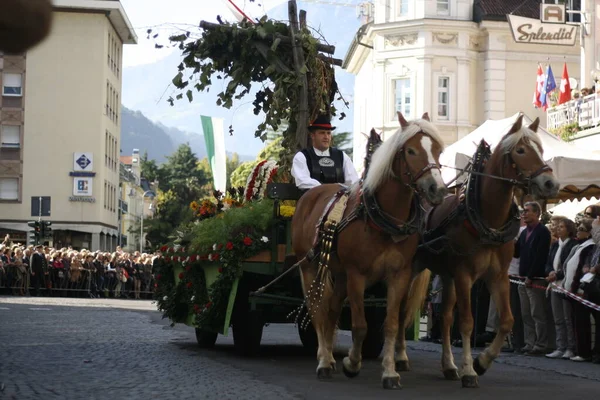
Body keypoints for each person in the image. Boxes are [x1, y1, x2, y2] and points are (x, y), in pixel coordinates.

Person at [514, 201, 551, 356]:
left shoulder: (542, 231)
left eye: (527, 211)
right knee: (526, 314)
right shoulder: (523, 232)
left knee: (537, 313)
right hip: (522, 278)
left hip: (535, 278)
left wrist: (530, 276)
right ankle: (530, 343)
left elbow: (540, 256)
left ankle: (541, 344)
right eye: (523, 211)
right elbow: (516, 253)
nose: (524, 213)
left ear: (537, 213)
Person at [291, 114, 359, 190]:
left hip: (340, 200)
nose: (326, 137)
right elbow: (302, 181)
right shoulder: (302, 156)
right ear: (312, 135)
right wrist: (328, 189)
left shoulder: (341, 156)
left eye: (328, 133)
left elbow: (353, 181)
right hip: (314, 200)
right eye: (322, 133)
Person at [544, 217, 578, 359]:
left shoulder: (573, 245)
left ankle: (571, 347)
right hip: (554, 285)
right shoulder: (554, 245)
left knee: (567, 318)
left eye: (562, 227)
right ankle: (560, 346)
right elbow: (548, 262)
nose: (558, 229)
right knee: (557, 318)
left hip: (565, 284)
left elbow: (569, 264)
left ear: (569, 229)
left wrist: (557, 274)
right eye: (557, 227)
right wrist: (549, 272)